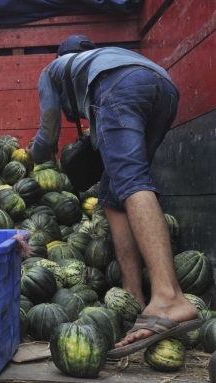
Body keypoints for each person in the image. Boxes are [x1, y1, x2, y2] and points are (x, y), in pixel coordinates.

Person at [29, 35, 201, 358]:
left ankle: (167, 296)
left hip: (118, 88)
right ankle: (133, 298)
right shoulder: (107, 56)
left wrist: (35, 155)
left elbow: (48, 130)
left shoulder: (53, 70)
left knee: (131, 182)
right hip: (163, 89)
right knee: (112, 195)